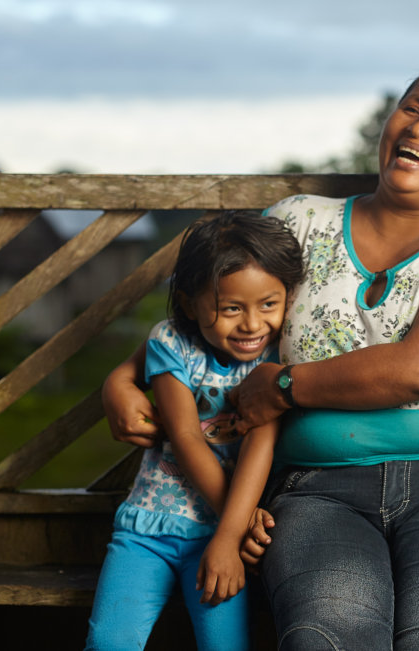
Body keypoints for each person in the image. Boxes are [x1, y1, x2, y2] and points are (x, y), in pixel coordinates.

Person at [104, 59, 419, 651]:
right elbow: (213, 314)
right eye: (412, 108)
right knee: (325, 641)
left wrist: (283, 387)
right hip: (317, 489)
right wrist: (123, 379)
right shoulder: (301, 221)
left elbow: (417, 372)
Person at [86, 210, 304, 651]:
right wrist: (237, 525)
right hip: (148, 531)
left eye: (268, 304)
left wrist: (227, 537)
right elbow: (185, 438)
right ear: (189, 304)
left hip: (223, 534)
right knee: (110, 641)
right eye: (230, 309)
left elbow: (260, 445)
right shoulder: (171, 344)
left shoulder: (275, 362)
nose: (251, 324)